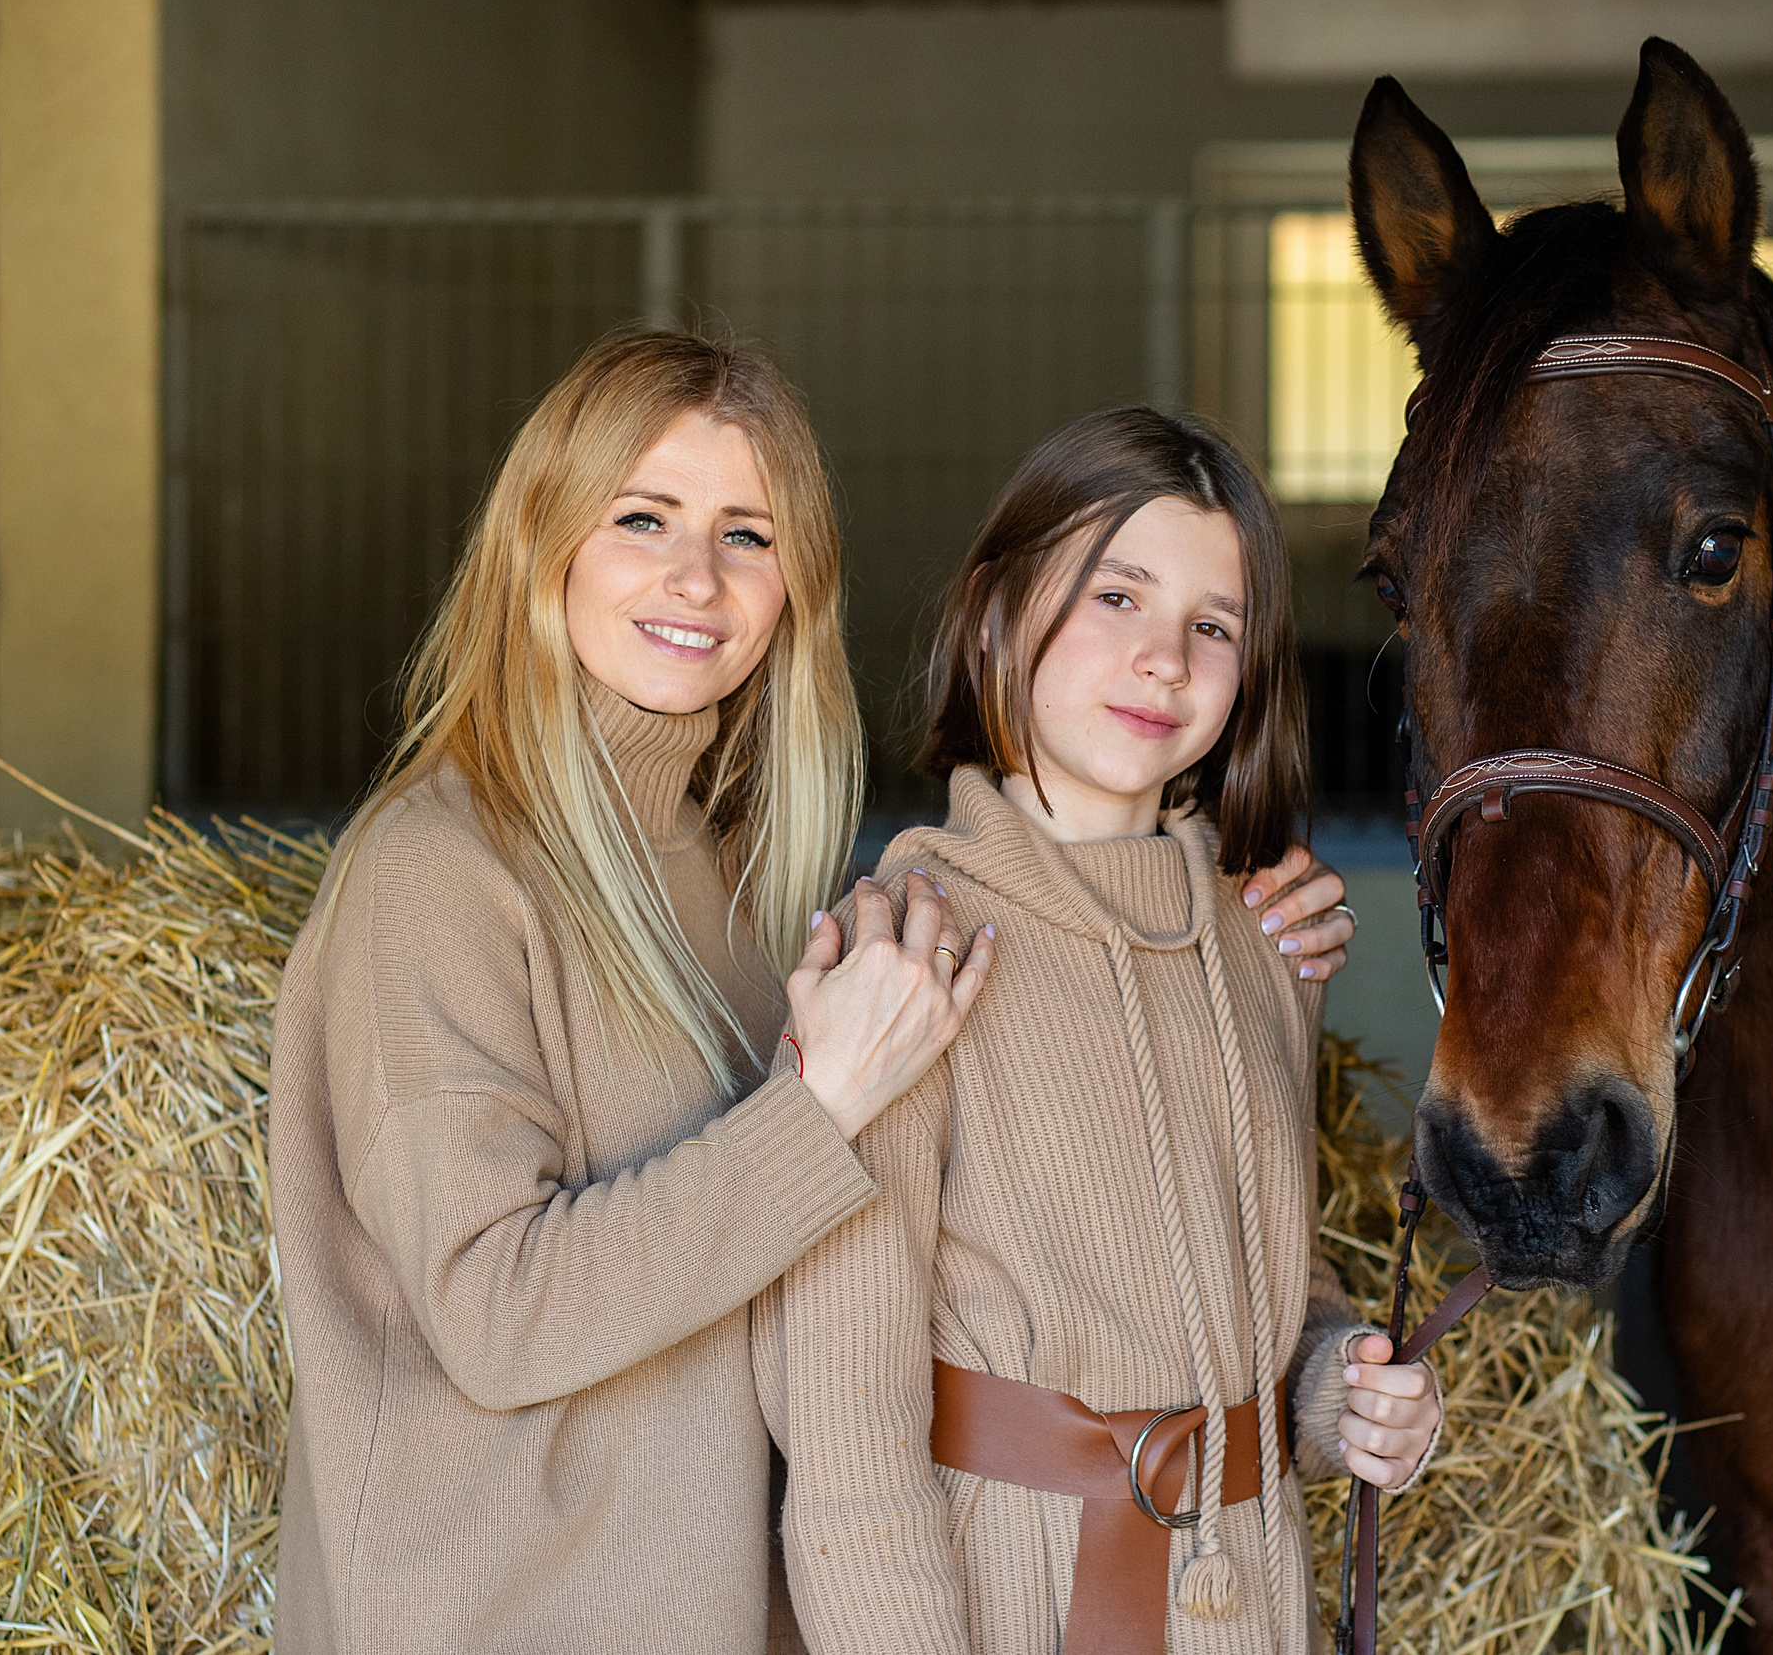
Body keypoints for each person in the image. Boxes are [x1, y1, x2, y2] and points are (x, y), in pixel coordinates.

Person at [267, 332, 1355, 1652]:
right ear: (542, 536)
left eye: (749, 534)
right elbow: (497, 1316)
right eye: (644, 517)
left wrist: (1220, 934)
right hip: (502, 1617)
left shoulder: (754, 884)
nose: (698, 575)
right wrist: (818, 1109)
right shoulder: (436, 870)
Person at [761, 407, 1442, 1655]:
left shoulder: (1266, 945)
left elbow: (1266, 1285)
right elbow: (846, 1434)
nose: (1163, 659)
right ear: (994, 614)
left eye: (1214, 625)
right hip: (1010, 1602)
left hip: (1252, 1603)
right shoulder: (903, 956)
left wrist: (1339, 1389)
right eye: (1115, 597)